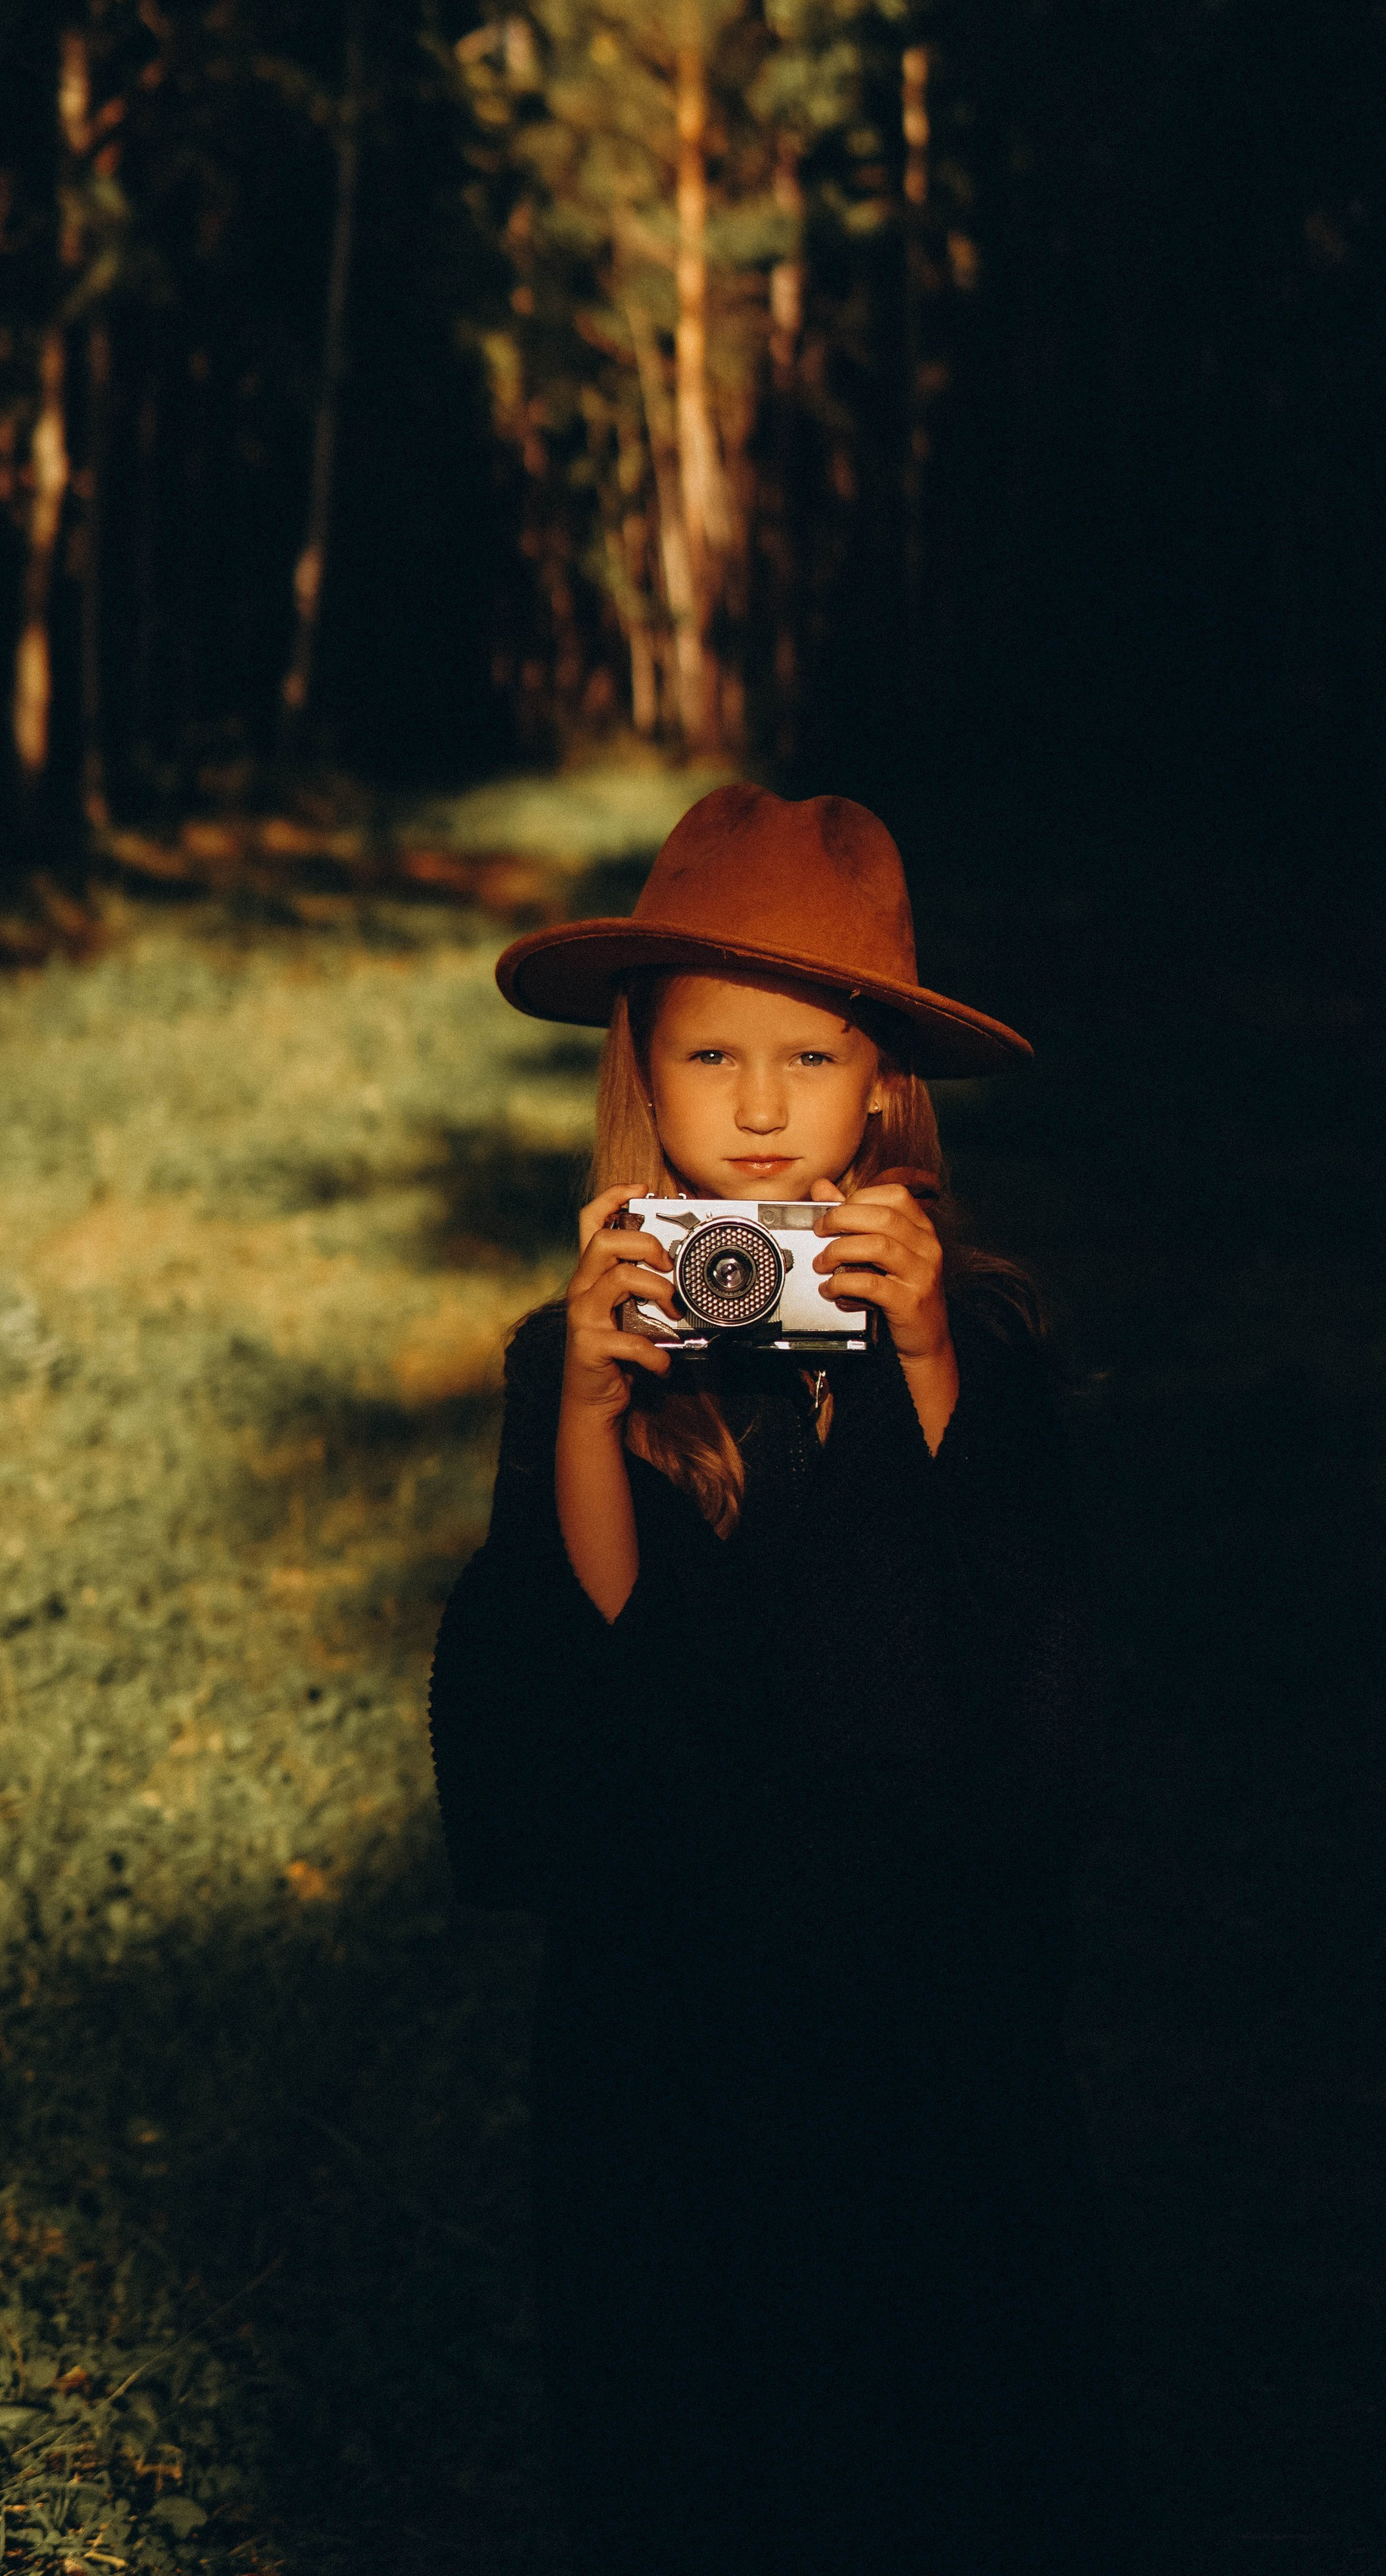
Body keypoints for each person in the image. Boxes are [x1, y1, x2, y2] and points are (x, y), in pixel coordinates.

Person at [430, 785, 1123, 2575]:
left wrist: (924, 1358)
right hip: (668, 2074)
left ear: (880, 1085)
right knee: (686, 2467)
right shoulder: (574, 1352)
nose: (753, 1111)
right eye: (711, 1055)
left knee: (937, 2468)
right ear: (638, 1075)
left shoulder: (984, 1343)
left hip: (924, 2072)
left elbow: (1028, 1697)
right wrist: (591, 1417)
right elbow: (559, 1738)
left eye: (805, 1062)